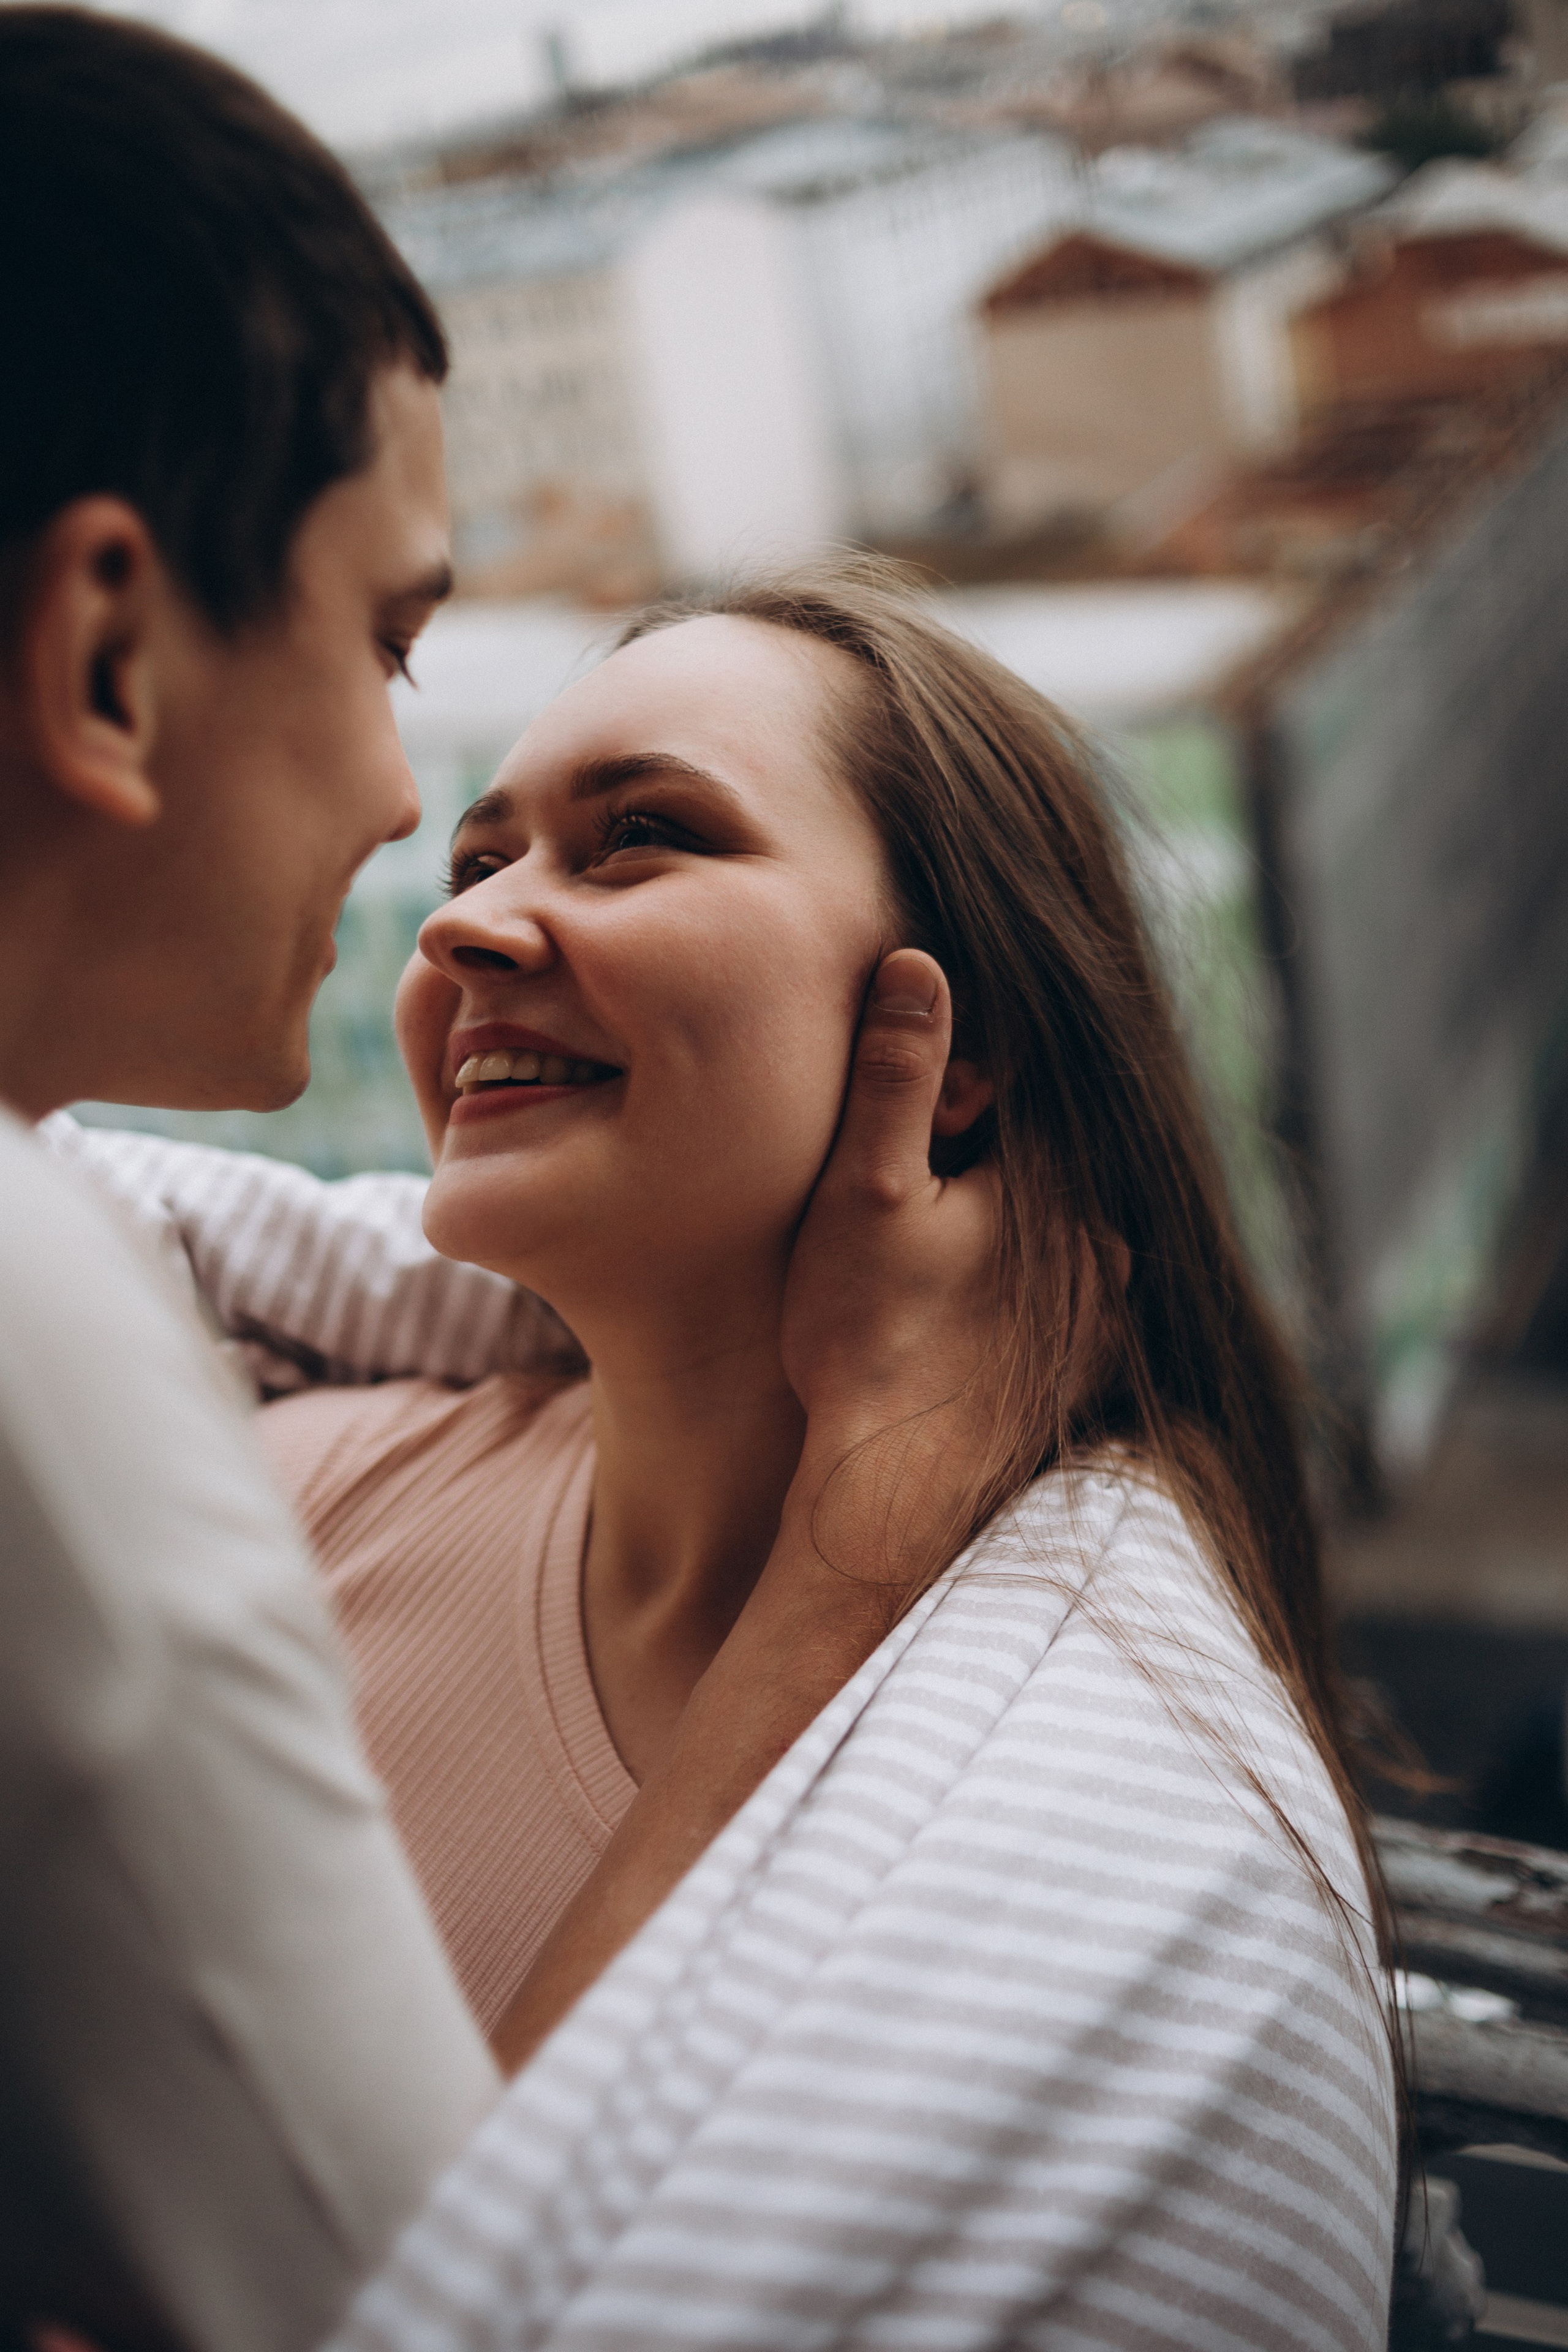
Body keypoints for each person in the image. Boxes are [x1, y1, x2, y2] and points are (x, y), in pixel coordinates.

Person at [66, 564, 1401, 2348]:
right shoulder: (284, 1486)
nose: (463, 929)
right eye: (477, 864)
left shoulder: (1084, 1808)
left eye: (638, 841)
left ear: (965, 1044)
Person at [0, 14, 989, 2345]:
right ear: (110, 655)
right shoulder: (52, 1379)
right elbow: (438, 2310)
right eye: (390, 642)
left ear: (965, 1054)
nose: (417, 860)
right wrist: (860, 1545)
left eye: (639, 837)